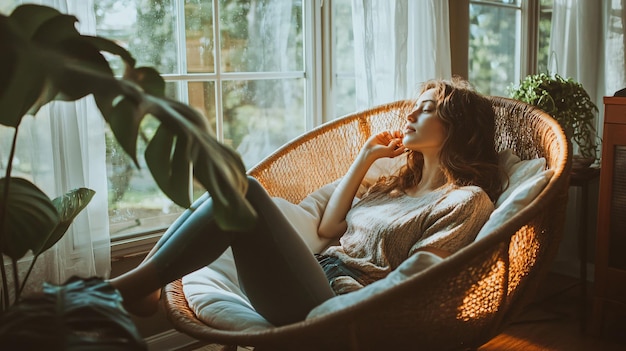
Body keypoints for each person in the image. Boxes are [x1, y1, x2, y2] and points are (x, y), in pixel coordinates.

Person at [108, 77, 505, 326]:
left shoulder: (466, 201)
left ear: (459, 129)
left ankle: (129, 287)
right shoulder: (396, 184)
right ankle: (143, 284)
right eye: (414, 105)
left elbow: (425, 284)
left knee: (242, 189)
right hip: (310, 275)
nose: (411, 113)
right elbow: (329, 229)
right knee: (229, 189)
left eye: (428, 108)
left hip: (343, 307)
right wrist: (365, 156)